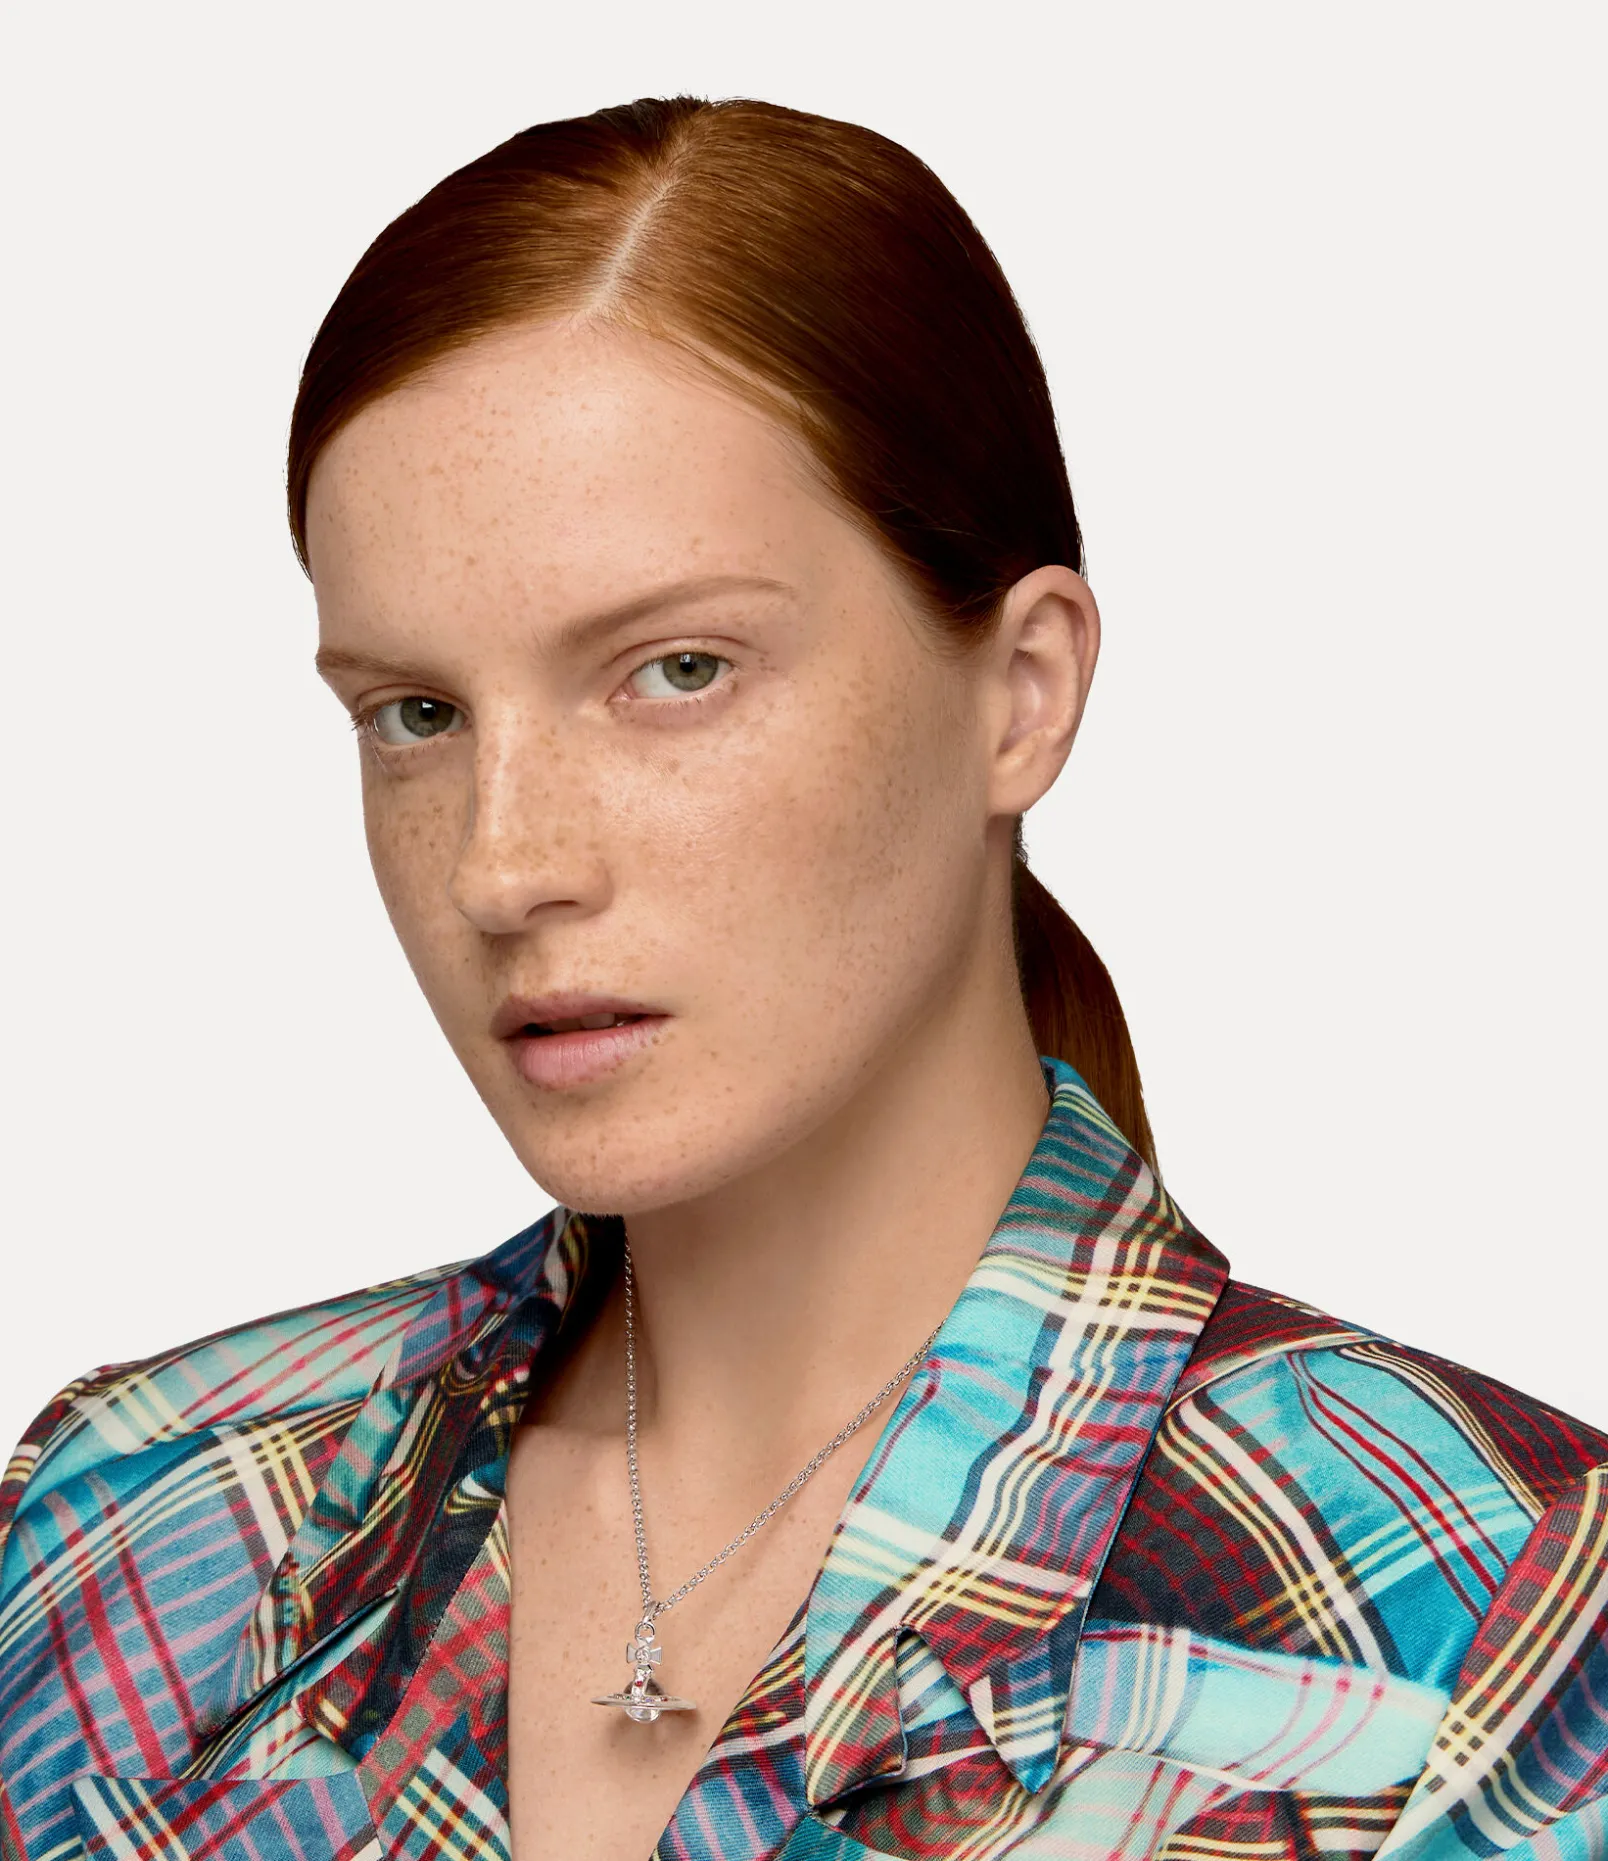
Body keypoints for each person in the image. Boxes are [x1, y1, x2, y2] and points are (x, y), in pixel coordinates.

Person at [0, 94, 1603, 1861]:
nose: (502, 866)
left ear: (1023, 692)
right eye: (418, 714)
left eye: (677, 670)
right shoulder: (139, 1517)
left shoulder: (1488, 1615)